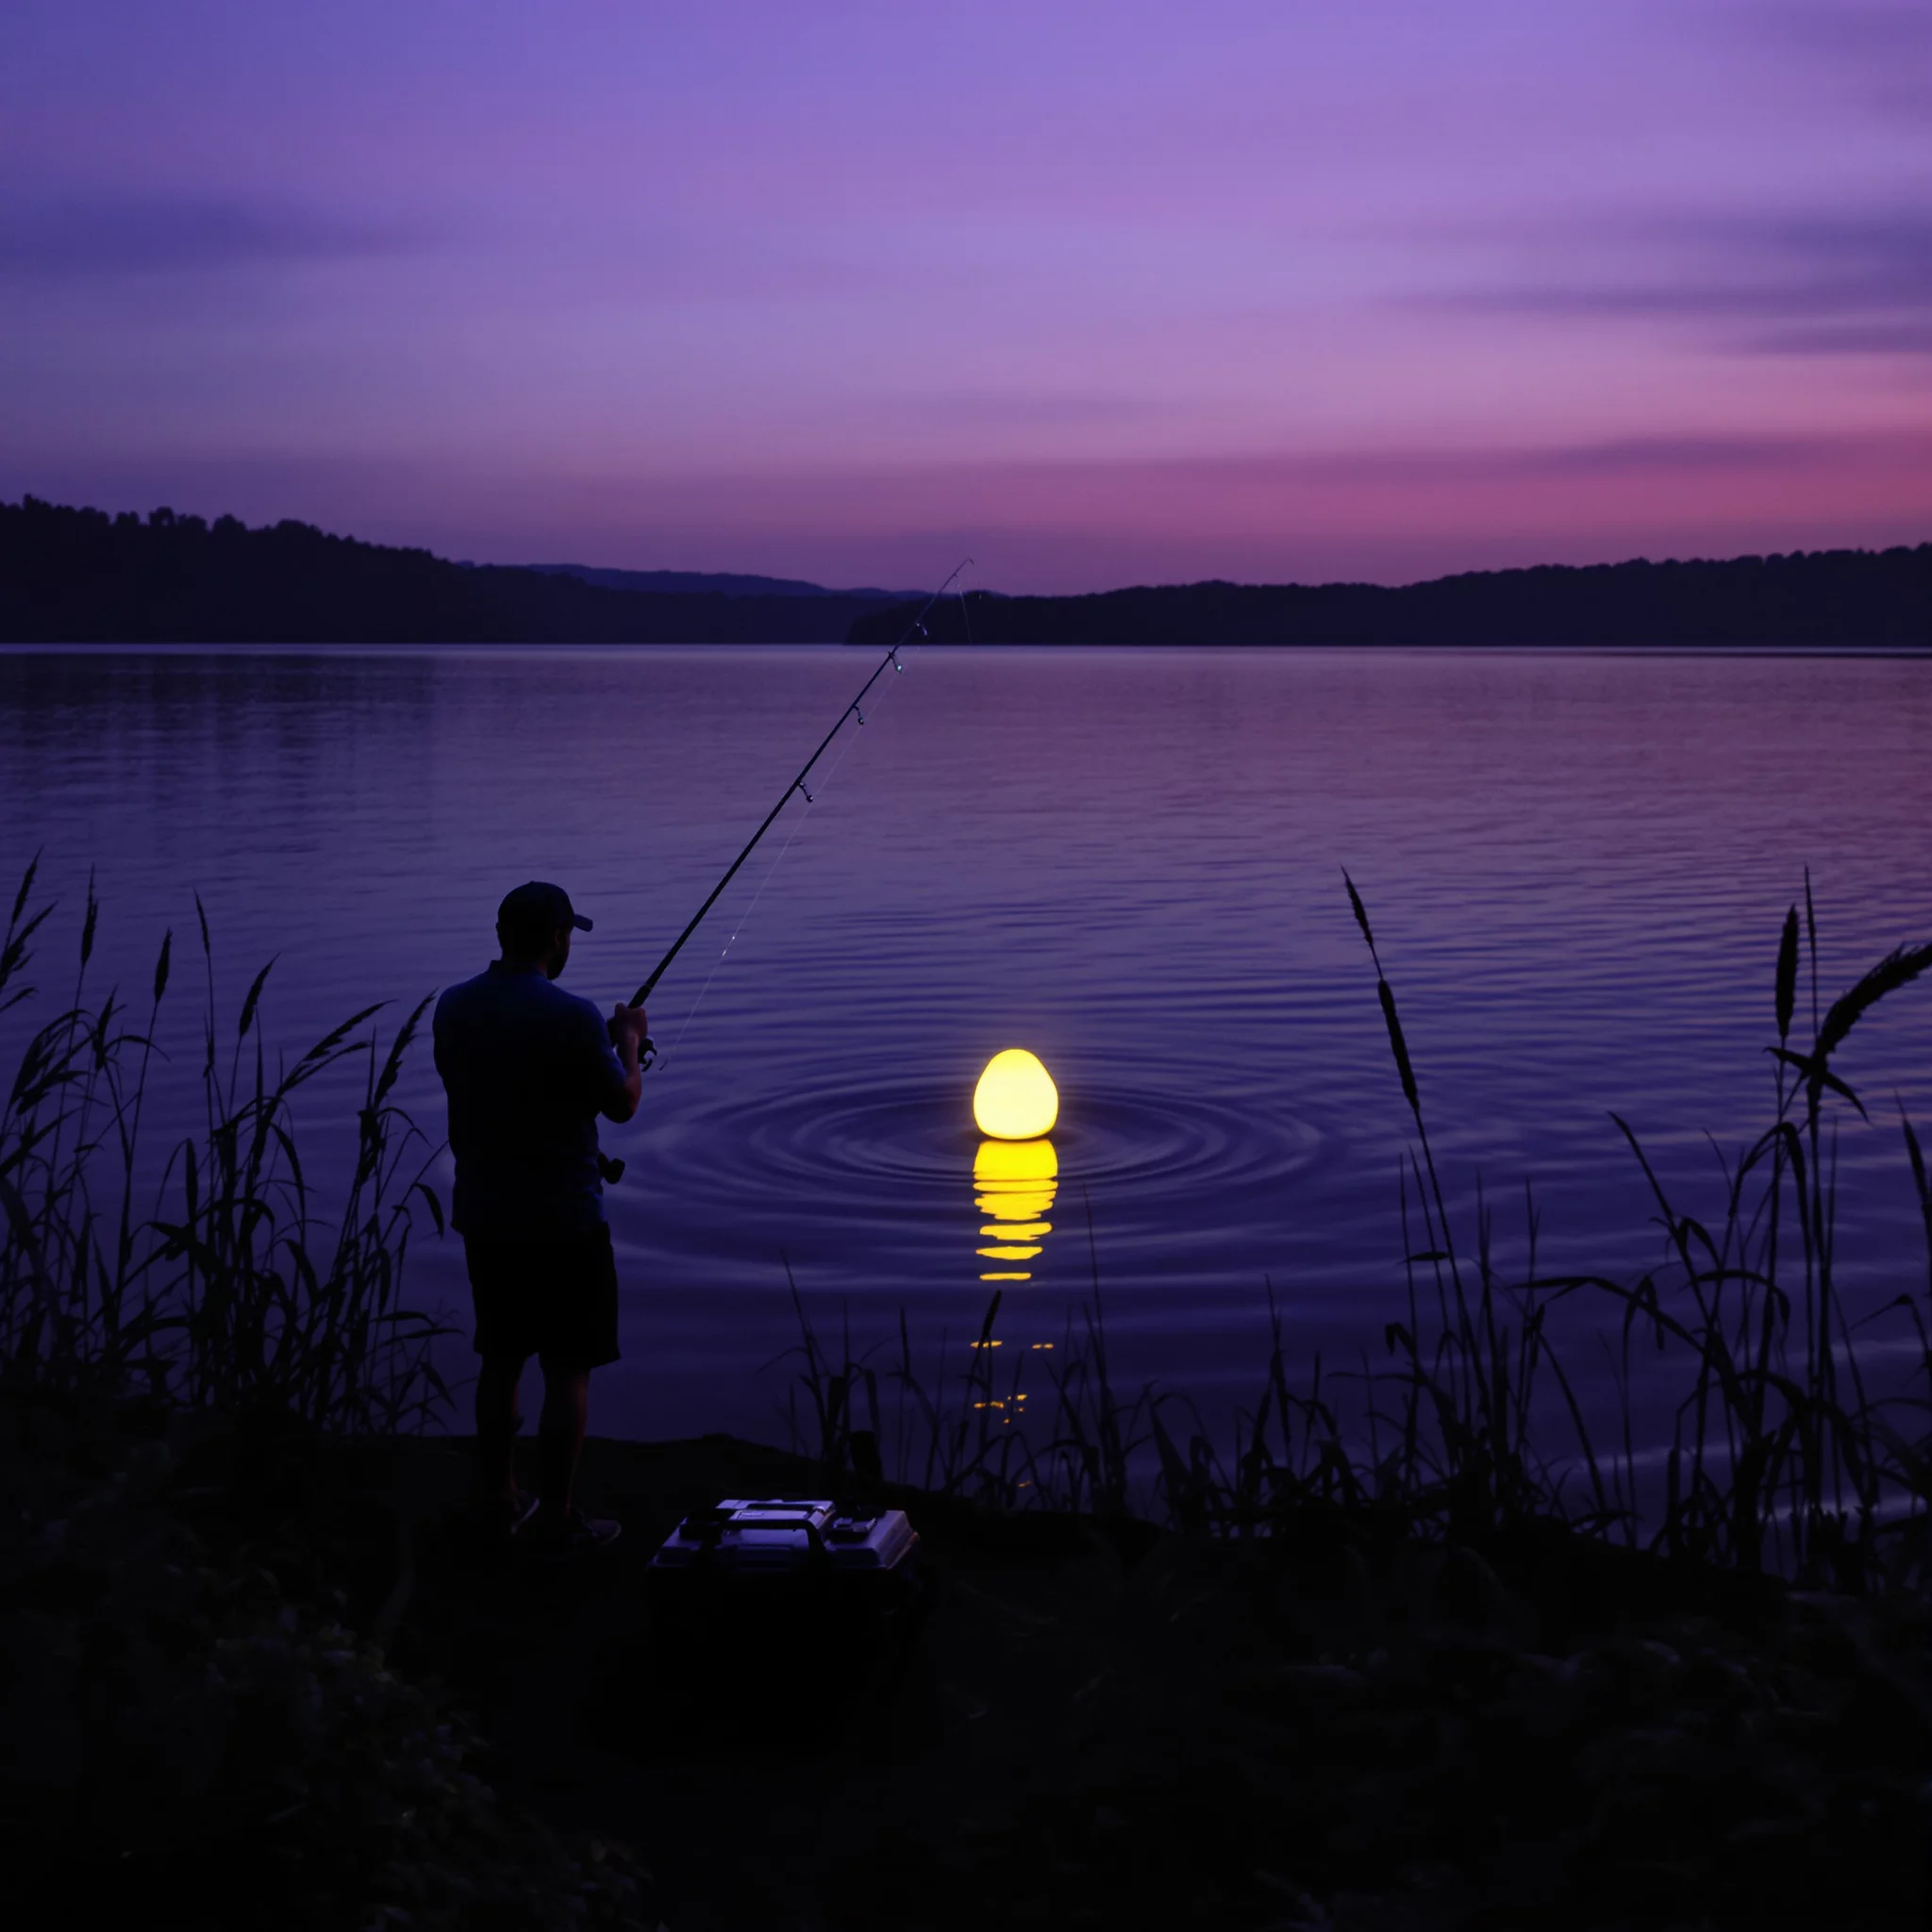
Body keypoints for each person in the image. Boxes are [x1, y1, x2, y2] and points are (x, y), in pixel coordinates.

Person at [432, 880, 647, 1558]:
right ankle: (555, 1515)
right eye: (568, 935)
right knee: (567, 1370)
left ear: (501, 934)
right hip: (565, 1222)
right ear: (557, 938)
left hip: (486, 1216)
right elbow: (620, 1106)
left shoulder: (453, 1007)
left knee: (500, 1359)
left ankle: (497, 1497)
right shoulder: (576, 1016)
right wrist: (630, 1044)